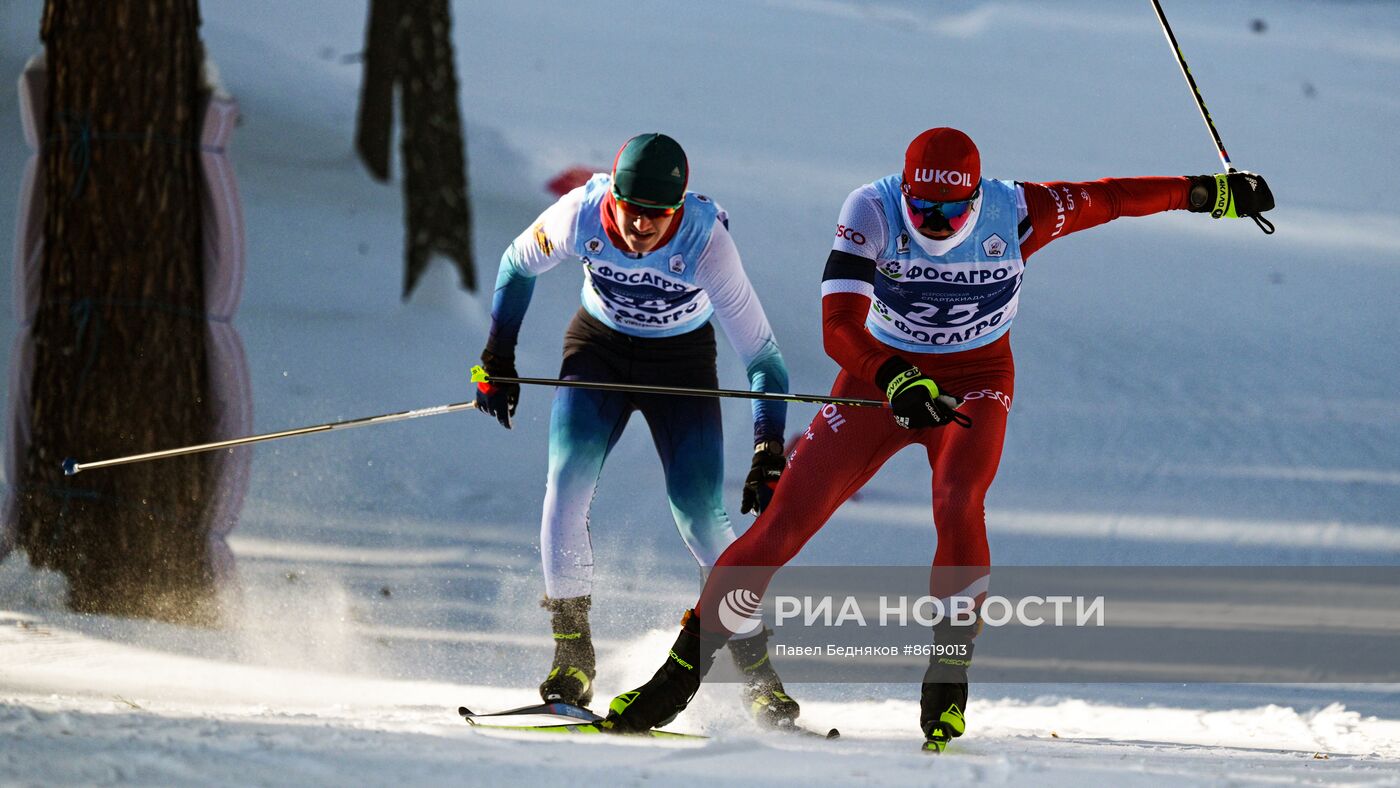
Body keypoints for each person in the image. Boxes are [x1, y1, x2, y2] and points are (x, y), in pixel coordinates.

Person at [599, 127, 1275, 750]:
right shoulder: (872, 209)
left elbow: (1112, 199)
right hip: (877, 376)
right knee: (781, 527)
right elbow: (838, 327)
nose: (935, 225)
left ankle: (948, 679)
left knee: (958, 500)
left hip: (976, 379)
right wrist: (893, 376)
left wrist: (1206, 193)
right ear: (904, 191)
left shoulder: (1019, 210)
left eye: (952, 213)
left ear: (976, 198)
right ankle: (677, 680)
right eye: (922, 209)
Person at [474, 132, 802, 726]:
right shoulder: (579, 213)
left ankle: (758, 673)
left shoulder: (706, 241)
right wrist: (496, 358)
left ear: (677, 209)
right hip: (597, 350)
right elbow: (516, 264)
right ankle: (572, 655)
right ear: (613, 197)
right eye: (631, 210)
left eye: (658, 215)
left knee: (702, 518)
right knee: (565, 488)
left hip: (680, 363)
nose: (642, 227)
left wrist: (768, 446)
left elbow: (764, 358)